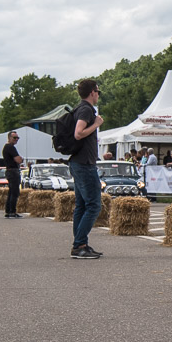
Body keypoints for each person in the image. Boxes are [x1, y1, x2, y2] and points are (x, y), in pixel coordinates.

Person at [68, 79, 104, 259]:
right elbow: (79, 133)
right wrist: (96, 124)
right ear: (92, 92)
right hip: (84, 164)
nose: (98, 95)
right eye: (98, 91)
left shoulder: (81, 108)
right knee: (94, 205)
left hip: (79, 162)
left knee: (81, 206)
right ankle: (79, 245)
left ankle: (81, 244)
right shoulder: (86, 110)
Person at [1, 131, 24, 217]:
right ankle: (12, 211)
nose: (16, 140)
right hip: (13, 171)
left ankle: (8, 211)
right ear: (9, 138)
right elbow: (18, 160)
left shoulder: (7, 147)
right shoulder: (10, 147)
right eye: (14, 138)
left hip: (10, 171)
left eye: (17, 138)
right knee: (14, 192)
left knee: (11, 192)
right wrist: (21, 159)